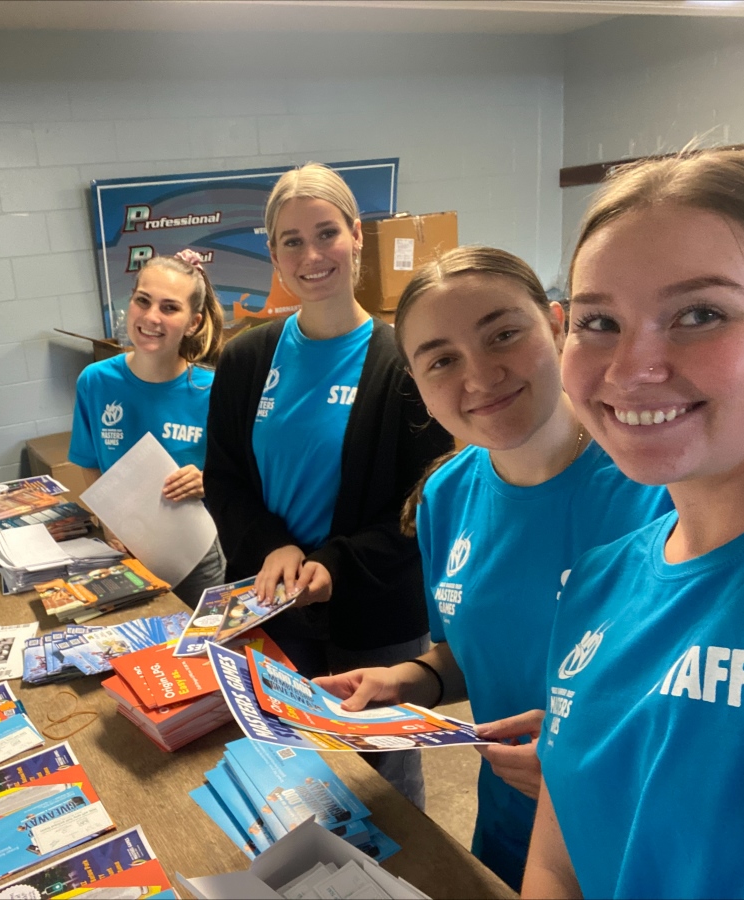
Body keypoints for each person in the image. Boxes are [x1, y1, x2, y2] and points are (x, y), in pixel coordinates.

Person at [313, 246, 671, 889]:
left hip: (638, 839)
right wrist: (407, 682)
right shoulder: (444, 497)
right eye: (442, 360)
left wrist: (591, 763)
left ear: (557, 325)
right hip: (509, 831)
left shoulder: (660, 488)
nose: (479, 377)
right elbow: (467, 656)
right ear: (418, 386)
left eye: (503, 334)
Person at [523, 148, 744, 899]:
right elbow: (561, 859)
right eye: (598, 322)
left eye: (699, 315)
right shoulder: (600, 580)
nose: (628, 368)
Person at [203, 162, 454, 809]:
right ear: (273, 252)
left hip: (375, 617)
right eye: (291, 240)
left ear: (356, 237)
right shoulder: (244, 358)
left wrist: (333, 565)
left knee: (381, 782)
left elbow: (420, 505)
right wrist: (273, 547)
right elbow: (224, 478)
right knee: (286, 767)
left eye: (325, 233)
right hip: (274, 605)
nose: (311, 255)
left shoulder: (403, 362)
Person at [68, 249, 226, 607]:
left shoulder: (212, 390)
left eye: (170, 308)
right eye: (143, 301)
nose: (151, 317)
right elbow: (90, 462)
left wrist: (208, 479)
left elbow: (242, 475)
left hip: (196, 555)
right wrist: (109, 523)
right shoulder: (95, 381)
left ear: (193, 322)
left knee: (199, 649)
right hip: (124, 550)